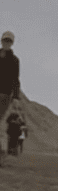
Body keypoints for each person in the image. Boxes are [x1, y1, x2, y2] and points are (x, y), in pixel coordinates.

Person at [0, 31, 22, 164]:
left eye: (9, 41)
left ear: (12, 43)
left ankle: (2, 153)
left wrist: (16, 97)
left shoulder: (14, 60)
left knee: (1, 123)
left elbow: (15, 80)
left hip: (5, 95)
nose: (6, 43)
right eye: (4, 40)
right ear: (1, 41)